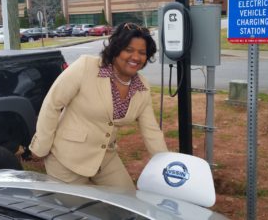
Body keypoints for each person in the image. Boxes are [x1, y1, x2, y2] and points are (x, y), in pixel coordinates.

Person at [29, 22, 168, 190]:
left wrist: (167, 168)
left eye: (142, 53)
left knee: (128, 205)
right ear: (116, 50)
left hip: (105, 158)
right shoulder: (86, 67)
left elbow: (151, 131)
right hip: (66, 159)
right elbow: (52, 104)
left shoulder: (141, 87)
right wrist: (40, 147)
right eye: (129, 50)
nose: (136, 57)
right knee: (80, 213)